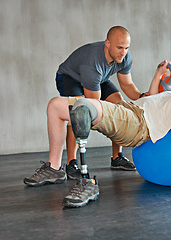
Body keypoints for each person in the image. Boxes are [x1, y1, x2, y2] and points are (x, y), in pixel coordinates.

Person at [23, 59, 171, 207]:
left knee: (84, 107)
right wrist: (158, 76)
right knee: (54, 106)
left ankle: (86, 182)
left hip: (137, 124)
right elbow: (154, 98)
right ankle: (54, 168)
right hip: (134, 110)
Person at [54, 26, 145, 180]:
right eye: (119, 47)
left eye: (126, 48)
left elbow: (128, 86)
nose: (123, 52)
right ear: (107, 43)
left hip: (98, 79)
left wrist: (144, 95)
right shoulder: (93, 63)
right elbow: (93, 104)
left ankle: (117, 157)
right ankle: (71, 163)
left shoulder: (124, 57)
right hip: (70, 77)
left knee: (119, 107)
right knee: (77, 114)